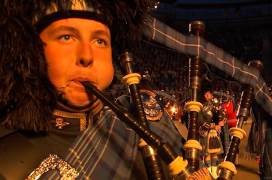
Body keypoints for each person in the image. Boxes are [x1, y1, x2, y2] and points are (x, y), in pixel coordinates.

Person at [0, 0, 200, 179]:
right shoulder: (7, 152)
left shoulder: (148, 122)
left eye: (100, 41)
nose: (87, 55)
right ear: (30, 51)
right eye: (67, 37)